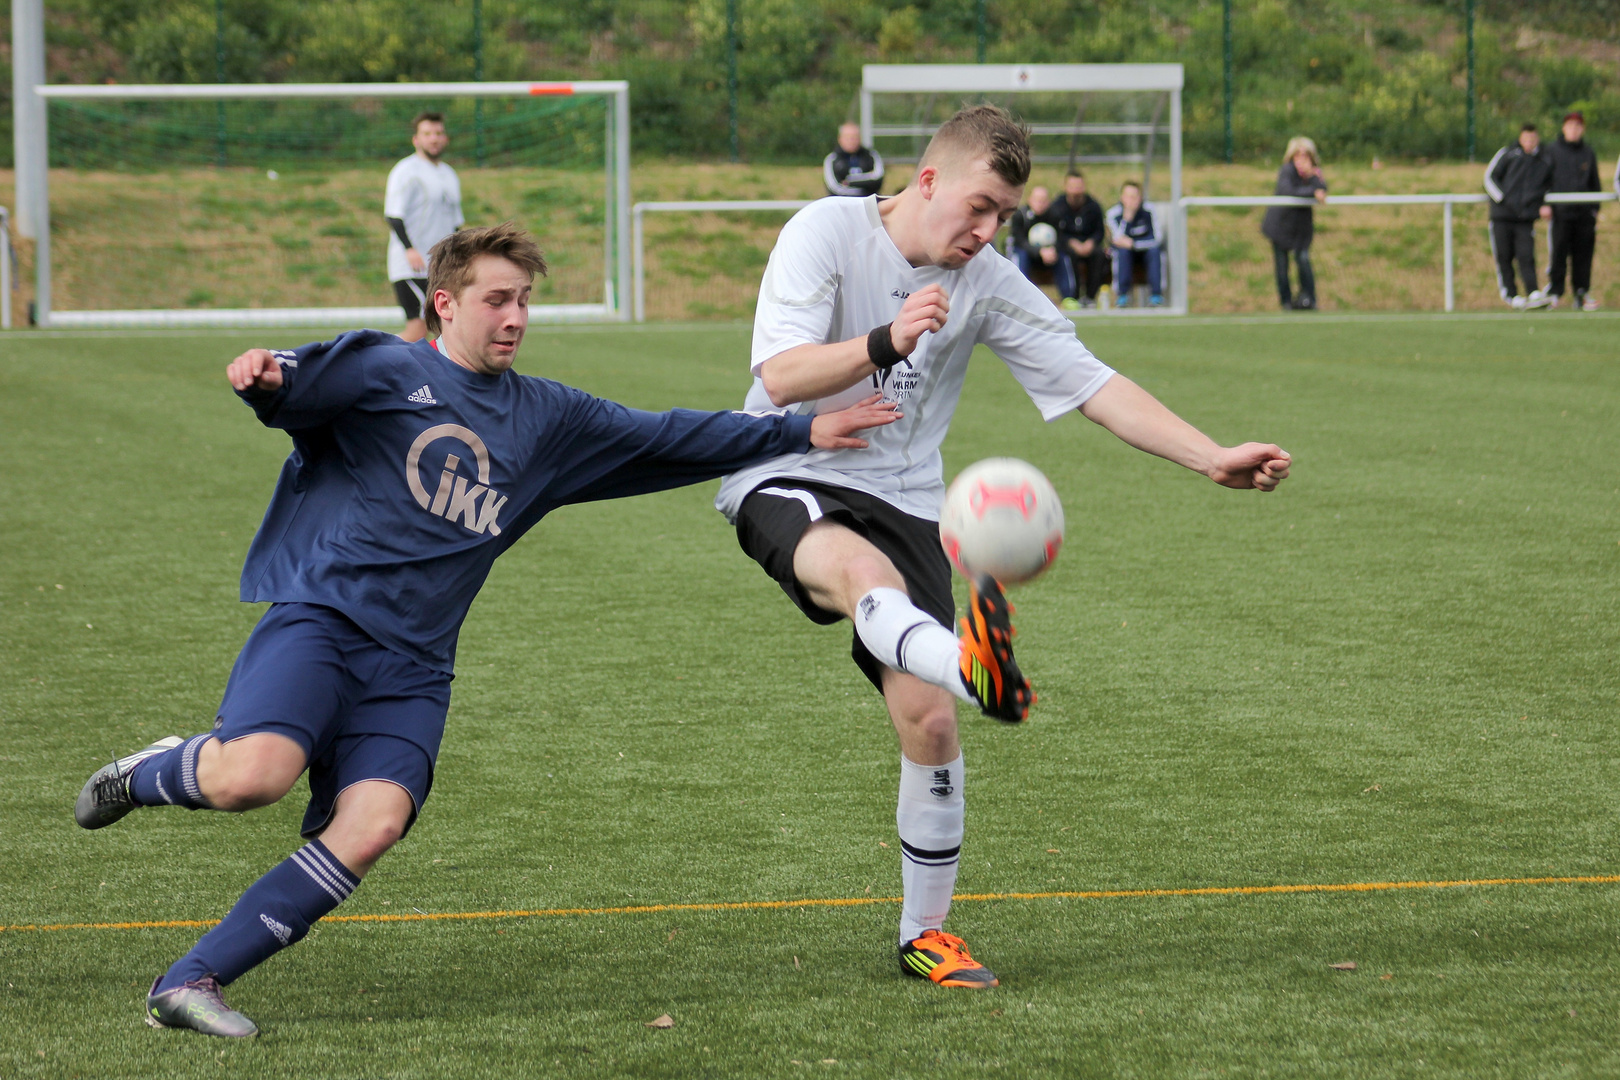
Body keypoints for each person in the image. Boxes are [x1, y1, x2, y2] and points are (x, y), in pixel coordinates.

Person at [72, 223, 898, 1038]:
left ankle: (189, 980)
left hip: (417, 665)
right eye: (497, 299)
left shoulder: (545, 417)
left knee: (374, 825)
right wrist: (263, 378)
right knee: (253, 777)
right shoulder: (385, 368)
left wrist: (800, 430)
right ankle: (151, 770)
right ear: (445, 304)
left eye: (526, 301)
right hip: (324, 620)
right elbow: (292, 384)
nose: (516, 317)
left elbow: (664, 434)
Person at [713, 104, 1291, 989]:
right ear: (930, 178)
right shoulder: (824, 230)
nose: (986, 233)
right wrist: (888, 339)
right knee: (860, 576)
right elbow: (780, 374)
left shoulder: (984, 277)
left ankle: (925, 934)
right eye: (979, 208)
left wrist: (1210, 455)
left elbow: (1092, 382)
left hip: (905, 498)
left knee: (932, 722)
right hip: (789, 464)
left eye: (1004, 219)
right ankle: (974, 664)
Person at [385, 112, 464, 342]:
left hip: (439, 267)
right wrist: (410, 250)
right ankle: (371, 360)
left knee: (445, 330)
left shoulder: (449, 174)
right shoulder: (406, 171)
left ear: (445, 138)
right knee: (418, 331)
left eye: (438, 133)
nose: (434, 139)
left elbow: (456, 224)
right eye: (427, 134)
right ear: (416, 140)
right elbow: (393, 216)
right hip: (412, 267)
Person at [1484, 123, 1555, 309]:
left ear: (1537, 139)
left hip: (1525, 218)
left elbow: (1550, 185)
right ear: (1521, 138)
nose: (1530, 142)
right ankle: (1511, 295)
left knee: (1526, 255)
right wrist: (1503, 200)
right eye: (1526, 138)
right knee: (1504, 256)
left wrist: (1543, 204)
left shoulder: (1544, 160)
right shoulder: (1507, 154)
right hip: (1502, 216)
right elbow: (1489, 178)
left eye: (1533, 138)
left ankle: (1533, 292)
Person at [1260, 136, 1328, 311]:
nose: (1302, 160)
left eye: (1306, 156)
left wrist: (1312, 177)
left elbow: (1323, 189)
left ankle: (1309, 299)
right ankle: (1287, 303)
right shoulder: (1286, 171)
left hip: (1301, 229)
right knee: (1282, 267)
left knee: (1303, 259)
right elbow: (1288, 191)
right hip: (1280, 226)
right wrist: (1313, 192)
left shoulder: (1314, 174)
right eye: (1298, 155)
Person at [1546, 111, 1601, 312]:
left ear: (1583, 129)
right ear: (1563, 128)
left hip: (1584, 215)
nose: (1574, 130)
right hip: (1561, 213)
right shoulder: (1552, 151)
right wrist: (1545, 204)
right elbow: (1544, 179)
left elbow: (1595, 181)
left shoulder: (1588, 152)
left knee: (1583, 256)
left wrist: (1594, 209)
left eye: (1578, 126)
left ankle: (1581, 292)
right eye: (1570, 125)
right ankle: (1555, 293)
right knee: (1558, 254)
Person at [1049, 171, 1109, 309]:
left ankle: (1090, 297)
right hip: (1068, 245)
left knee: (1099, 254)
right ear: (1066, 187)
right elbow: (1056, 232)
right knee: (1067, 256)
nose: (1076, 190)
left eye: (1079, 186)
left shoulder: (1093, 206)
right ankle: (1073, 296)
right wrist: (1071, 242)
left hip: (1088, 244)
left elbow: (1099, 231)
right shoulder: (1057, 206)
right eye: (1072, 186)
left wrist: (1091, 242)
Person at [1105, 180, 1164, 308]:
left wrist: (1134, 244)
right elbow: (1117, 239)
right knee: (1122, 252)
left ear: (1140, 197)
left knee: (1155, 252)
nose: (1131, 200)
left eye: (1135, 196)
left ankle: (1156, 295)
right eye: (1128, 196)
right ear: (1121, 197)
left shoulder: (1149, 210)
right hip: (1125, 252)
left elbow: (1157, 238)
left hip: (1145, 250)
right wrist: (1127, 219)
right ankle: (1122, 295)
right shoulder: (1113, 214)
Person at [1005, 185, 1071, 295]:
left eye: (1044, 200)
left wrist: (1053, 250)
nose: (1040, 204)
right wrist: (1039, 251)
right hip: (1027, 253)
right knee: (1020, 257)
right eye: (1037, 200)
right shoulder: (1020, 216)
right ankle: (1019, 294)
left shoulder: (1055, 215)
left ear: (1049, 202)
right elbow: (1019, 241)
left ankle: (1069, 296)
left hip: (1049, 254)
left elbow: (1061, 238)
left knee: (1063, 257)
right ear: (1030, 200)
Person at [824, 122, 886, 198]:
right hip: (842, 205)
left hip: (867, 204)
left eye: (854, 137)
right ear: (840, 139)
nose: (851, 141)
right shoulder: (832, 159)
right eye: (847, 137)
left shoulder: (871, 156)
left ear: (860, 138)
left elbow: (877, 180)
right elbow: (833, 187)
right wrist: (865, 185)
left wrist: (848, 182)